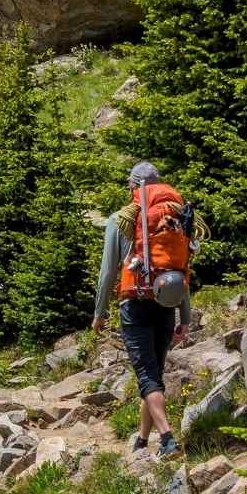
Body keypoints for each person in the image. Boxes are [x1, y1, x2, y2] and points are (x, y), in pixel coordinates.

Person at [93, 161, 199, 457]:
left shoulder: (121, 219)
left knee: (146, 375)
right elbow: (181, 268)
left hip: (134, 302)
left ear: (132, 186)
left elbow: (107, 272)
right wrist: (185, 317)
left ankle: (167, 439)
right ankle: (142, 440)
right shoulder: (176, 216)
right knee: (153, 375)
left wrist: (99, 313)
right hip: (166, 302)